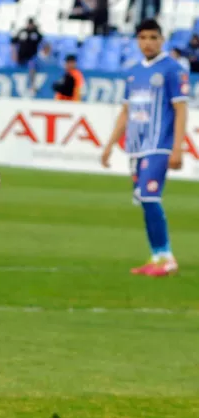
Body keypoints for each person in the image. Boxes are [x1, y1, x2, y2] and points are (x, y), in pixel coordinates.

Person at [102, 18, 187, 277]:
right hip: (137, 148)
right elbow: (126, 111)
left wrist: (177, 148)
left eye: (153, 37)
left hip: (159, 146)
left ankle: (168, 257)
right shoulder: (133, 71)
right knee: (143, 200)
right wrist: (108, 145)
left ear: (162, 40)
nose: (147, 43)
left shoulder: (172, 69)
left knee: (150, 197)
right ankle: (156, 257)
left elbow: (181, 109)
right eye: (142, 38)